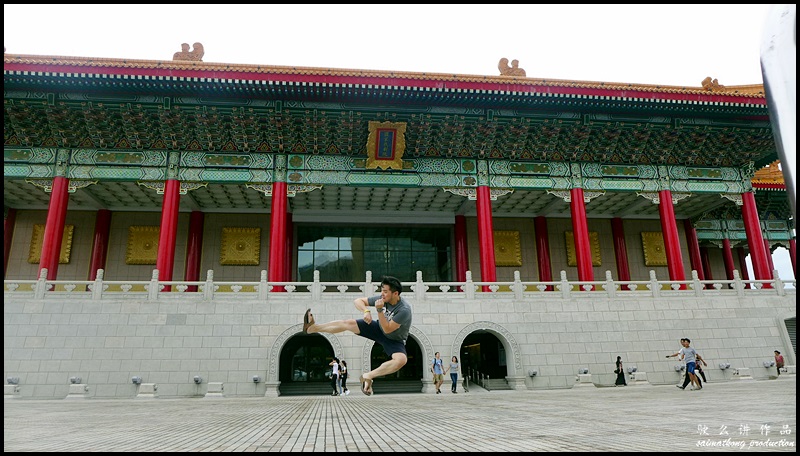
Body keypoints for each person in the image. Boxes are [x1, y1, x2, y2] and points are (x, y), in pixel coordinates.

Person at [302, 276, 412, 396]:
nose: (382, 294)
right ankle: (313, 328)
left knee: (401, 360)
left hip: (394, 339)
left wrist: (379, 310)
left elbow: (388, 329)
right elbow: (358, 301)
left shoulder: (404, 310)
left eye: (385, 292)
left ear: (395, 293)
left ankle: (368, 376)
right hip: (378, 328)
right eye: (382, 291)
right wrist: (366, 311)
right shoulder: (382, 298)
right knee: (348, 323)